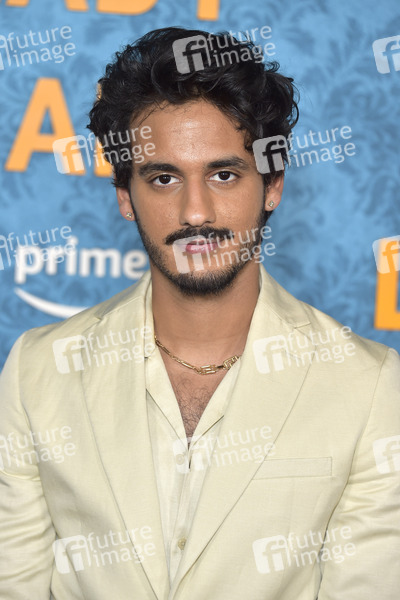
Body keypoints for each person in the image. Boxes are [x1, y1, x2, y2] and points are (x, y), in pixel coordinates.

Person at [0, 26, 399, 600]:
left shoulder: (370, 385)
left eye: (224, 174)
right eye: (163, 178)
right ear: (124, 194)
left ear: (272, 185)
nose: (195, 212)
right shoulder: (37, 370)